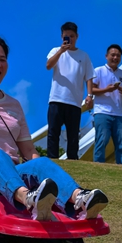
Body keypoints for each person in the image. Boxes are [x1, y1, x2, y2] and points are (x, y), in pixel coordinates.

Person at [0, 34, 108, 221]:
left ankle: (81, 200)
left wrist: (39, 169)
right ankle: (28, 199)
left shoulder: (13, 105)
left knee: (41, 162)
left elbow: (28, 150)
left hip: (9, 173)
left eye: (2, 60)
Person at [45, 21, 94, 160]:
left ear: (77, 36)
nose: (69, 39)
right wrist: (61, 51)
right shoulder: (55, 51)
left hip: (75, 101)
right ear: (61, 36)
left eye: (72, 36)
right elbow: (48, 65)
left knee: (73, 134)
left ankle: (73, 160)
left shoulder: (83, 56)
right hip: (56, 98)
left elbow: (89, 77)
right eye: (66, 36)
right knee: (53, 132)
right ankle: (52, 159)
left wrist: (90, 95)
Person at [91, 44, 122, 164]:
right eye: (112, 55)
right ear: (106, 56)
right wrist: (106, 90)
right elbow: (91, 90)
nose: (115, 58)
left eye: (118, 55)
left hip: (119, 113)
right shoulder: (98, 71)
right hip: (102, 112)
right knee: (102, 141)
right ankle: (98, 166)